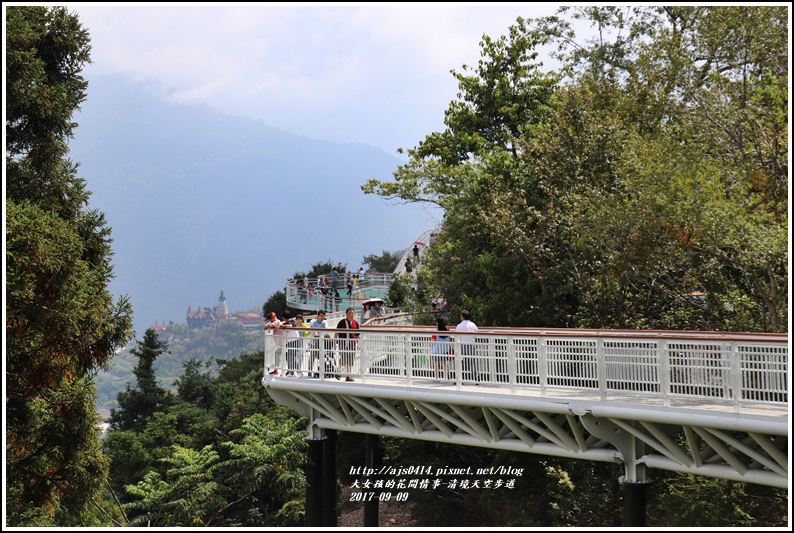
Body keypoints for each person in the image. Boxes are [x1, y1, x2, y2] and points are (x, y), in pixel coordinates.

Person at [335, 307, 360, 382]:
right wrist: (334, 343)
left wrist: (358, 344)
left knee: (351, 360)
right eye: (349, 313)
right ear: (346, 314)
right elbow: (336, 333)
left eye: (352, 313)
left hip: (352, 344)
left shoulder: (356, 323)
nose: (351, 315)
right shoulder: (342, 322)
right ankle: (338, 372)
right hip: (343, 343)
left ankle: (348, 376)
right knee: (343, 358)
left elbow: (357, 335)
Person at [456, 310, 479, 384]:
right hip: (471, 344)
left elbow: (457, 336)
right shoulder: (473, 325)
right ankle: (476, 377)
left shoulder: (459, 326)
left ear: (462, 317)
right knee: (472, 362)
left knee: (460, 361)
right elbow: (476, 334)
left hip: (462, 345)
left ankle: (460, 378)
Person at [431, 317, 453, 382]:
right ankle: (449, 374)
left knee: (436, 364)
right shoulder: (447, 329)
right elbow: (450, 338)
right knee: (444, 363)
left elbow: (433, 340)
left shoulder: (436, 330)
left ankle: (436, 378)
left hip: (437, 350)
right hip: (445, 349)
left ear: (437, 323)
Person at [308, 310, 329, 378]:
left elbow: (326, 328)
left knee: (323, 356)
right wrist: (316, 332)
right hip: (313, 342)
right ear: (318, 316)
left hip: (321, 342)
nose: (322, 317)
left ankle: (322, 370)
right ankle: (309, 371)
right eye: (321, 316)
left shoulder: (324, 322)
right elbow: (312, 327)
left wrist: (325, 333)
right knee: (312, 356)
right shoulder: (313, 321)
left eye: (323, 316)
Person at [280, 310, 300, 376]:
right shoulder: (288, 322)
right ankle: (291, 371)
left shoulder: (291, 322)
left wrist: (282, 326)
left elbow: (291, 326)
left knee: (291, 357)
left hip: (294, 341)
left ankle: (298, 372)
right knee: (288, 356)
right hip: (290, 341)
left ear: (283, 317)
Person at [264, 311, 283, 375]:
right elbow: (265, 327)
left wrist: (271, 325)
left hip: (282, 343)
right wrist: (271, 325)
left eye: (274, 317)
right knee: (278, 354)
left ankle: (277, 370)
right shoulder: (273, 322)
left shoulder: (277, 321)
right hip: (279, 343)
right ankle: (276, 369)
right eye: (272, 318)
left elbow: (270, 326)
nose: (273, 318)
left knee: (278, 354)